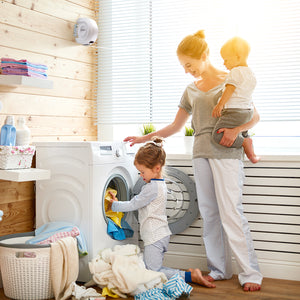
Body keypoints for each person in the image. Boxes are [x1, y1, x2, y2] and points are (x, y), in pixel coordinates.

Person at [124, 30, 263, 292]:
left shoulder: (232, 78)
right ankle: (219, 269)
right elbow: (176, 127)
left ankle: (250, 273)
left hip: (226, 153)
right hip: (200, 153)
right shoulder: (190, 90)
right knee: (210, 214)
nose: (187, 71)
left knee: (231, 212)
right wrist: (145, 138)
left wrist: (236, 132)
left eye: (189, 65)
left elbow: (254, 117)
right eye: (184, 67)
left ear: (204, 56)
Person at [108, 136, 215, 288]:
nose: (140, 176)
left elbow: (133, 204)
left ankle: (190, 276)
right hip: (160, 234)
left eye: (142, 172)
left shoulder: (151, 189)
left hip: (154, 237)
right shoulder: (160, 185)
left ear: (156, 168)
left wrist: (114, 205)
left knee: (152, 271)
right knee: (149, 268)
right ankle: (189, 274)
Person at [212, 36, 260, 163]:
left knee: (217, 135)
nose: (224, 63)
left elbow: (230, 89)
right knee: (243, 132)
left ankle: (245, 143)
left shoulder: (235, 72)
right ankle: (251, 154)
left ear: (238, 57)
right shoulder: (251, 73)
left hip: (234, 111)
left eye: (226, 60)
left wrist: (220, 105)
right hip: (247, 111)